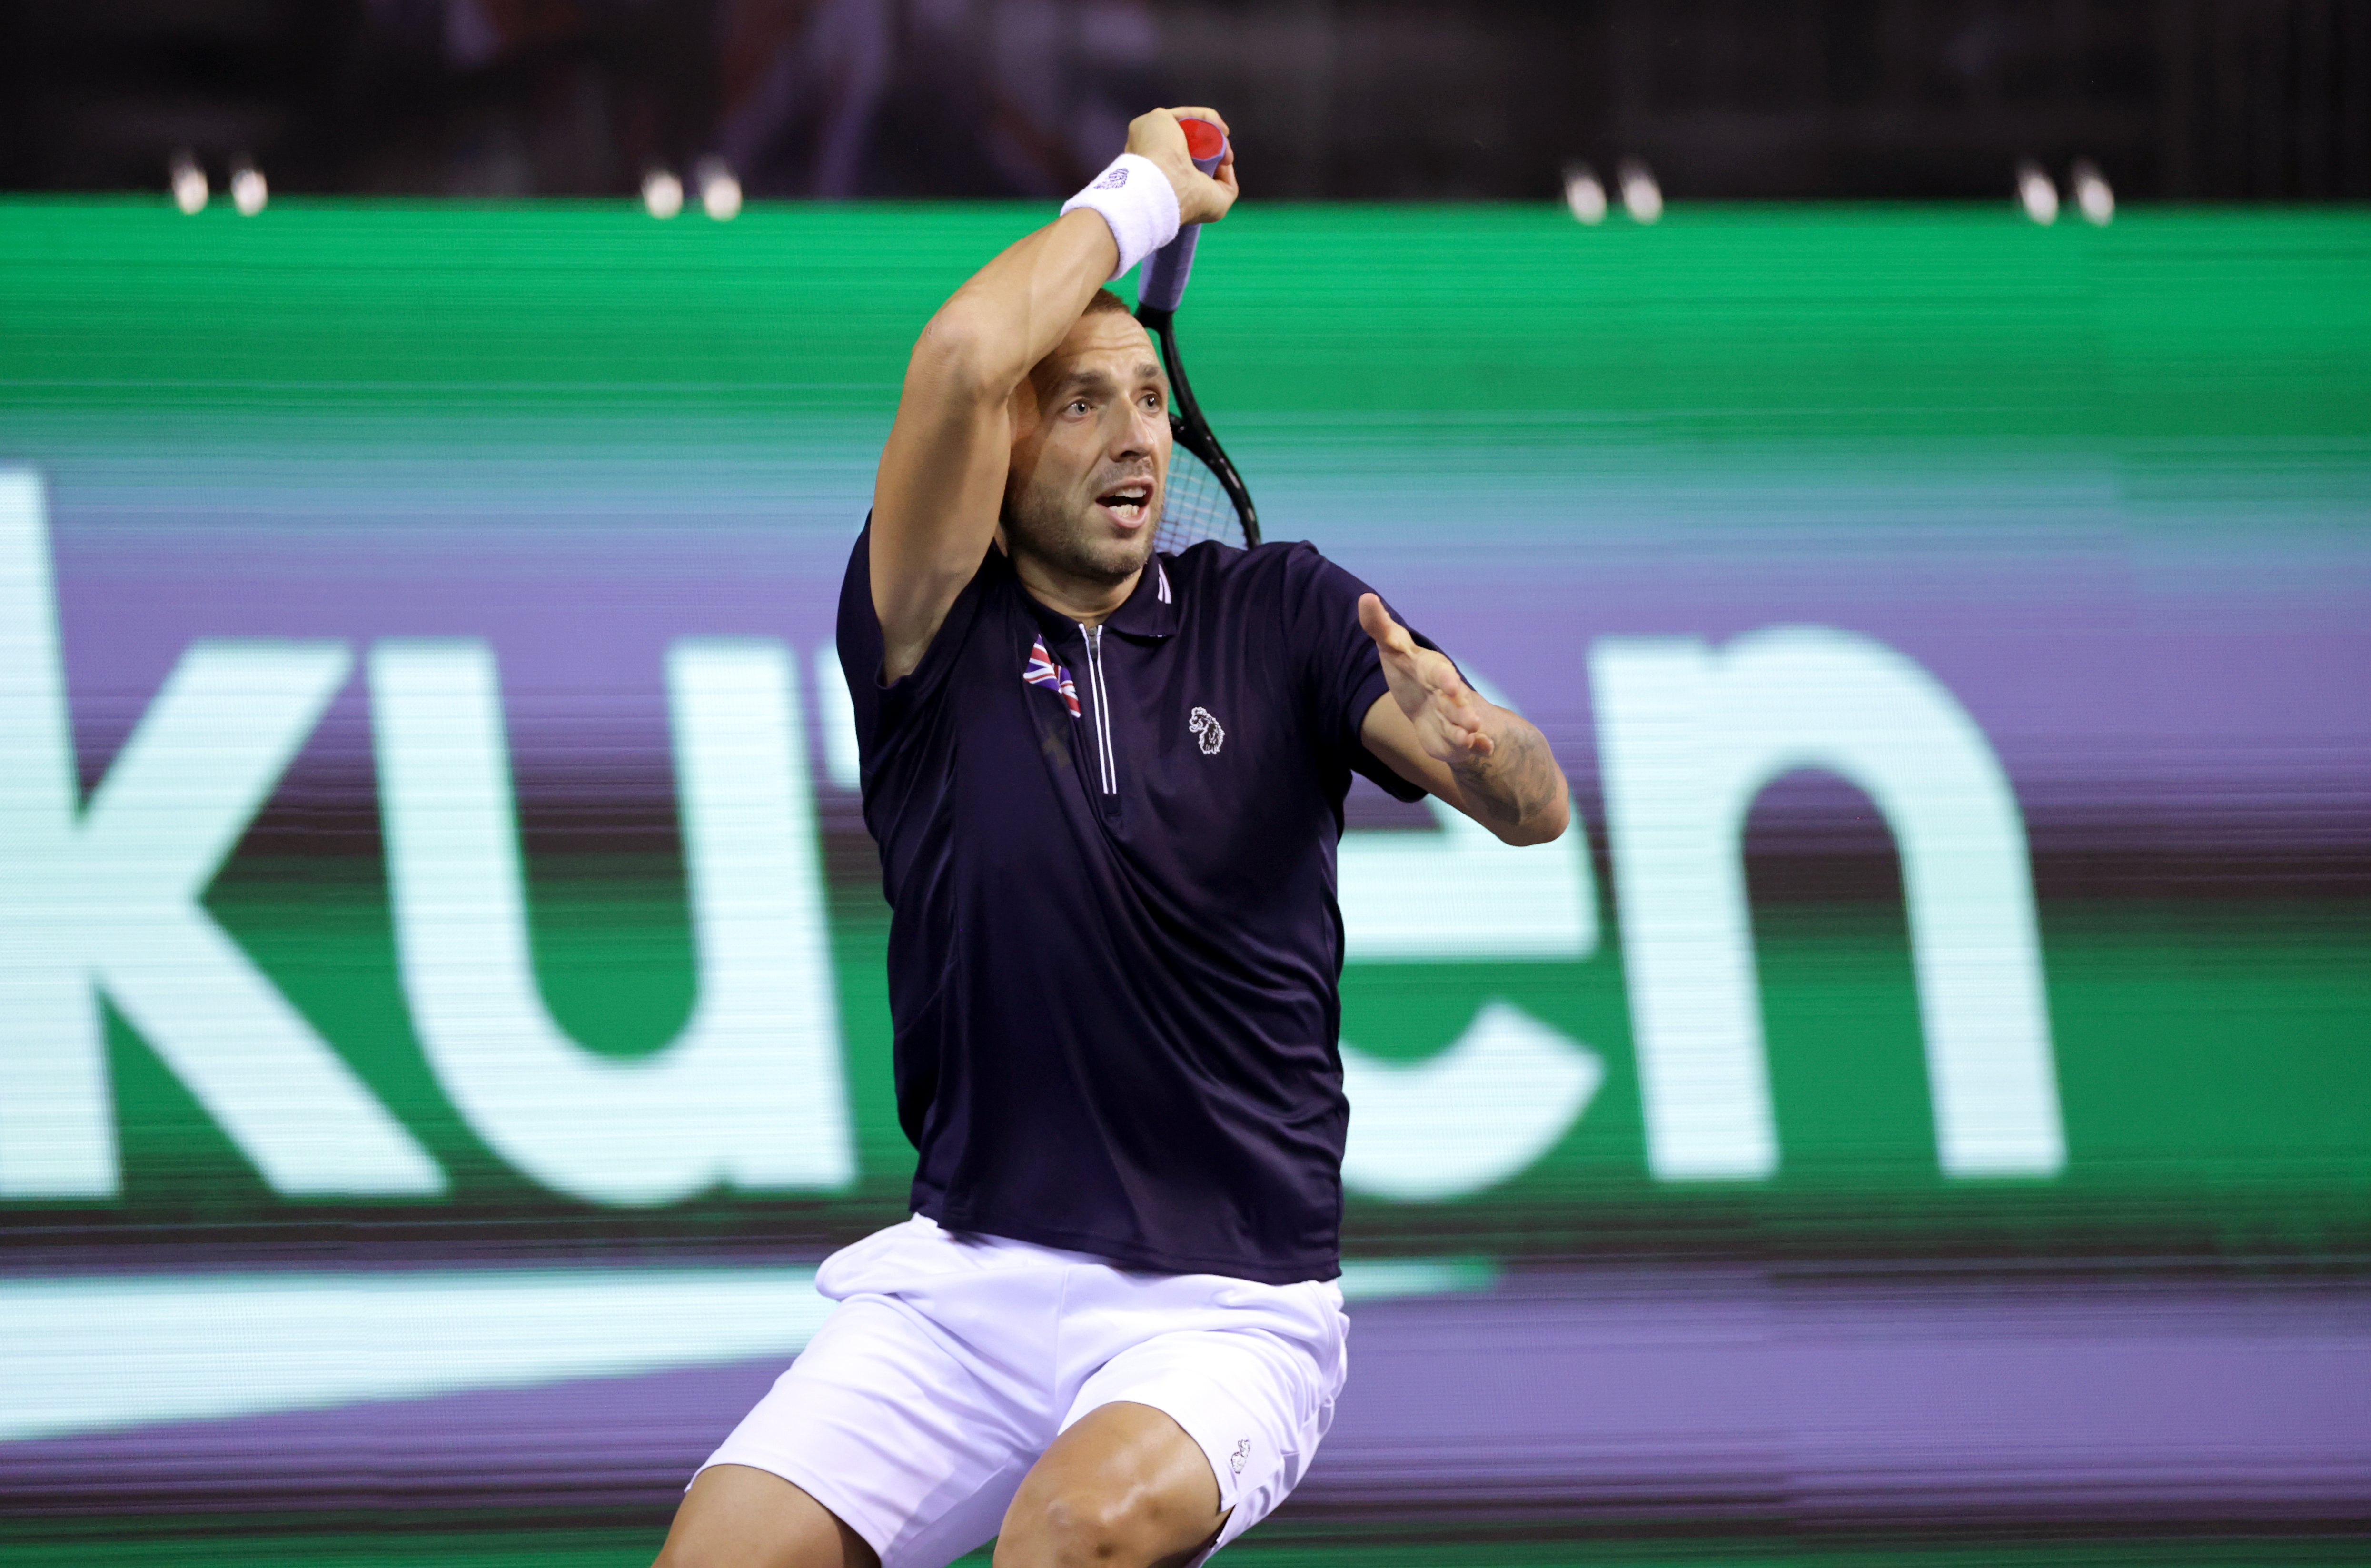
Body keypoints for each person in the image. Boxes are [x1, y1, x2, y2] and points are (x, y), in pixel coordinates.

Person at [655, 106, 1569, 1568]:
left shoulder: (1278, 617)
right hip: (968, 1286)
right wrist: (1141, 194)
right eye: (1081, 401)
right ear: (1003, 452)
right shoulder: (930, 635)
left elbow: (1536, 811)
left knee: (1071, 1533)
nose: (1138, 431)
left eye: (1150, 397)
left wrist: (1487, 746)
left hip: (1226, 1305)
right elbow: (960, 359)